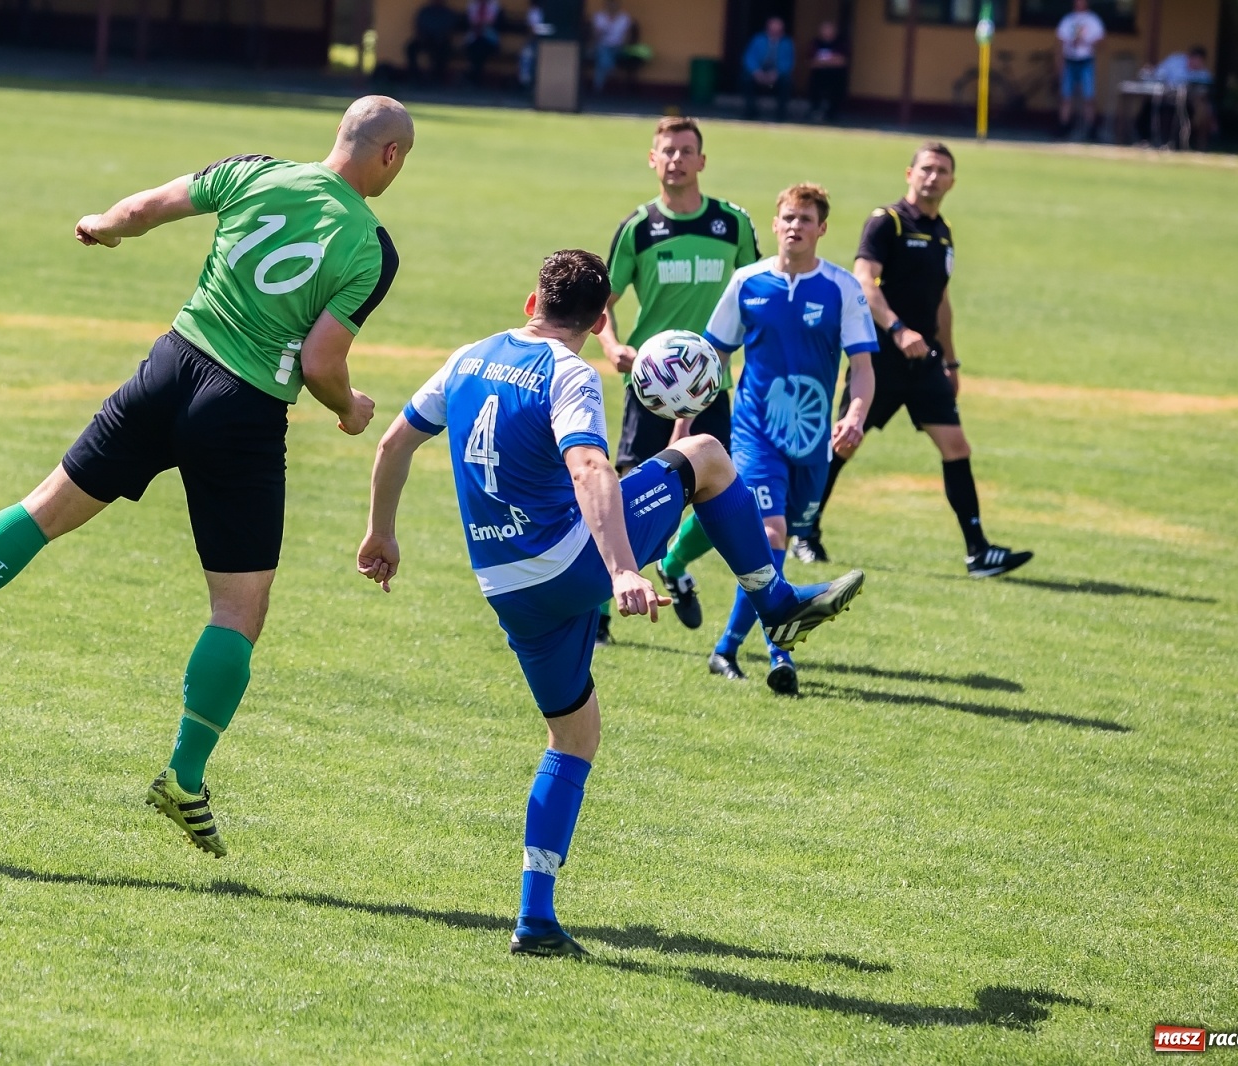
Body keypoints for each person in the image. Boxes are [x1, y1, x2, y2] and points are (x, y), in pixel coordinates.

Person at [0, 97, 414, 858]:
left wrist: (101, 225)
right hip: (245, 409)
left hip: (170, 367)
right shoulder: (371, 247)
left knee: (47, 506)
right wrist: (350, 408)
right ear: (388, 157)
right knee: (239, 606)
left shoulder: (254, 172)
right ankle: (184, 777)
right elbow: (323, 362)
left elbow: (144, 207)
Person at [356, 249, 865, 957]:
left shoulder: (469, 357)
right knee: (711, 456)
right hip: (570, 563)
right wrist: (623, 569)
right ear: (600, 318)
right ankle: (773, 600)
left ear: (532, 301)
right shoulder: (570, 374)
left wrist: (381, 533)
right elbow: (591, 466)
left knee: (574, 735)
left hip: (504, 586)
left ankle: (536, 917)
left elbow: (394, 442)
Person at [802, 142, 1032, 580]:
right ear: (909, 173)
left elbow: (942, 301)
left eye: (942, 171)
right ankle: (805, 530)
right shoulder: (885, 222)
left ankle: (978, 551)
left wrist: (951, 361)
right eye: (926, 168)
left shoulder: (943, 231)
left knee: (956, 447)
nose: (933, 176)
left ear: (952, 182)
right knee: (843, 443)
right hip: (881, 358)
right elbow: (864, 282)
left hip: (924, 362)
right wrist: (897, 329)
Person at [702, 184, 877, 695]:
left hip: (814, 439)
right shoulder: (747, 282)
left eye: (806, 218)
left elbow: (862, 367)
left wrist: (856, 415)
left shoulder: (842, 289)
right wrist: (685, 418)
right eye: (787, 217)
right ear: (774, 225)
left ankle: (726, 648)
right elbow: (714, 358)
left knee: (779, 540)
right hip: (755, 431)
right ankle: (780, 652)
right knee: (772, 533)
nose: (795, 226)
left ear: (822, 229)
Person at [597, 116, 761, 642]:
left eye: (686, 150)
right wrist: (613, 345)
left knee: (722, 491)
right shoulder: (639, 227)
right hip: (650, 388)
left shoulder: (733, 224)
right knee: (626, 497)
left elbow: (759, 293)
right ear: (653, 159)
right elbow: (601, 303)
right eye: (667, 150)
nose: (676, 159)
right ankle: (598, 613)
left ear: (702, 161)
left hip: (712, 385)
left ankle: (676, 563)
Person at [1146, 47, 1214, 149]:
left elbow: (1207, 84)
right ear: (1190, 57)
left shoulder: (1202, 73)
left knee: (1195, 114)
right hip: (1165, 100)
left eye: (1199, 61)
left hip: (1186, 105)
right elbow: (1159, 74)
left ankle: (1183, 144)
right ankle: (1159, 142)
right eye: (1195, 60)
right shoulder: (1174, 61)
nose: (1196, 63)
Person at [1056, 0, 1104, 138]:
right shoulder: (1068, 19)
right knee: (1066, 95)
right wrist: (1059, 62)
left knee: (1089, 96)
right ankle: (1064, 126)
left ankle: (1091, 128)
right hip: (1070, 61)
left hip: (1086, 61)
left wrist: (1086, 41)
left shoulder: (1093, 20)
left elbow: (1101, 40)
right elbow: (1060, 41)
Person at [741, 17, 794, 122]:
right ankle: (751, 111)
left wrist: (776, 73)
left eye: (777, 30)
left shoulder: (787, 43)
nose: (774, 32)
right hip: (759, 72)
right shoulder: (757, 39)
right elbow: (749, 57)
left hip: (777, 74)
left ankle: (781, 114)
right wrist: (756, 72)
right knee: (746, 79)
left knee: (787, 81)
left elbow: (788, 62)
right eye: (772, 29)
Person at [406, 0, 459, 85]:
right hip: (425, 39)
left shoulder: (448, 12)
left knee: (442, 51)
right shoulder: (425, 11)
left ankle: (436, 78)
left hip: (441, 41)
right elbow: (418, 26)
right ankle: (414, 76)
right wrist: (422, 37)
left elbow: (450, 29)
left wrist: (440, 37)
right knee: (410, 48)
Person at [806, 20, 849, 122]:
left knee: (838, 85)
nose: (827, 32)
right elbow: (811, 63)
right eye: (825, 29)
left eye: (829, 29)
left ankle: (832, 114)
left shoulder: (841, 43)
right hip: (819, 75)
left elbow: (842, 62)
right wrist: (831, 59)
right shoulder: (815, 43)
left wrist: (822, 61)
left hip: (836, 75)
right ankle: (815, 111)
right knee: (814, 84)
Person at [591, 0, 634, 94]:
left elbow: (628, 35)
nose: (612, 6)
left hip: (619, 47)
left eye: (614, 4)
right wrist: (601, 32)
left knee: (602, 59)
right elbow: (595, 36)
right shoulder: (600, 17)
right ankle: (611, 70)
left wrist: (623, 44)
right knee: (603, 52)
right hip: (603, 45)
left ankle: (598, 88)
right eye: (610, 4)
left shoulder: (624, 18)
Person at [465, 0, 503, 86]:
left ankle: (474, 77)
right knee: (475, 46)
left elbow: (494, 22)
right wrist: (478, 27)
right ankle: (475, 77)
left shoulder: (495, 5)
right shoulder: (472, 4)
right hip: (474, 36)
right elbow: (471, 22)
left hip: (490, 37)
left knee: (481, 47)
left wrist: (482, 26)